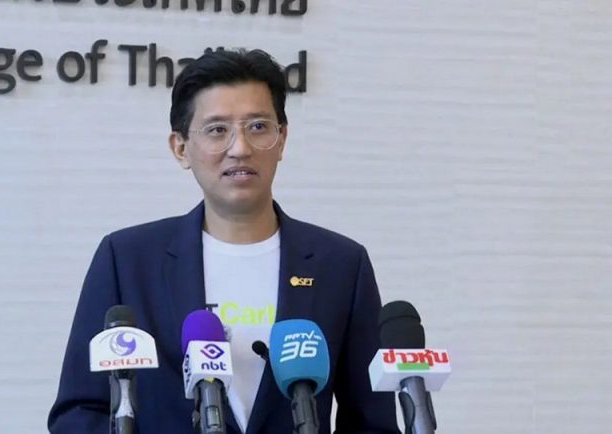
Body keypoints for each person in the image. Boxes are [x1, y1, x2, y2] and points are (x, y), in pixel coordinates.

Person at [48, 49, 400, 434]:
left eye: (258, 127)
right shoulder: (127, 260)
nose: (240, 148)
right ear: (181, 147)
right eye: (217, 130)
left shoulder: (341, 264)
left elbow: (372, 422)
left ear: (282, 139)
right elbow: (79, 412)